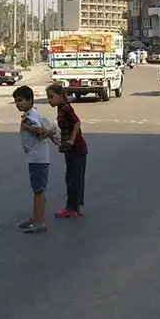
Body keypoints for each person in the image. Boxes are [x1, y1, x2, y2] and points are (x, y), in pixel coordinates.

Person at [13, 85, 54, 235]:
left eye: (20, 100)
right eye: (16, 101)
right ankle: (36, 217)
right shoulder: (30, 114)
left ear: (30, 100)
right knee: (37, 189)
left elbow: (39, 130)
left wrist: (26, 126)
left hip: (38, 158)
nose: (18, 104)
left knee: (38, 191)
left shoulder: (31, 117)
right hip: (36, 157)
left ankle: (39, 222)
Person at [46, 83, 89, 218]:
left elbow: (77, 123)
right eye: (48, 97)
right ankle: (75, 207)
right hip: (71, 149)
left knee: (73, 179)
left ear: (60, 96)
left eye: (52, 96)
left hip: (76, 148)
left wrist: (71, 139)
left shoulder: (65, 108)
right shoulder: (61, 108)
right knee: (73, 178)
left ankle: (71, 208)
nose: (49, 100)